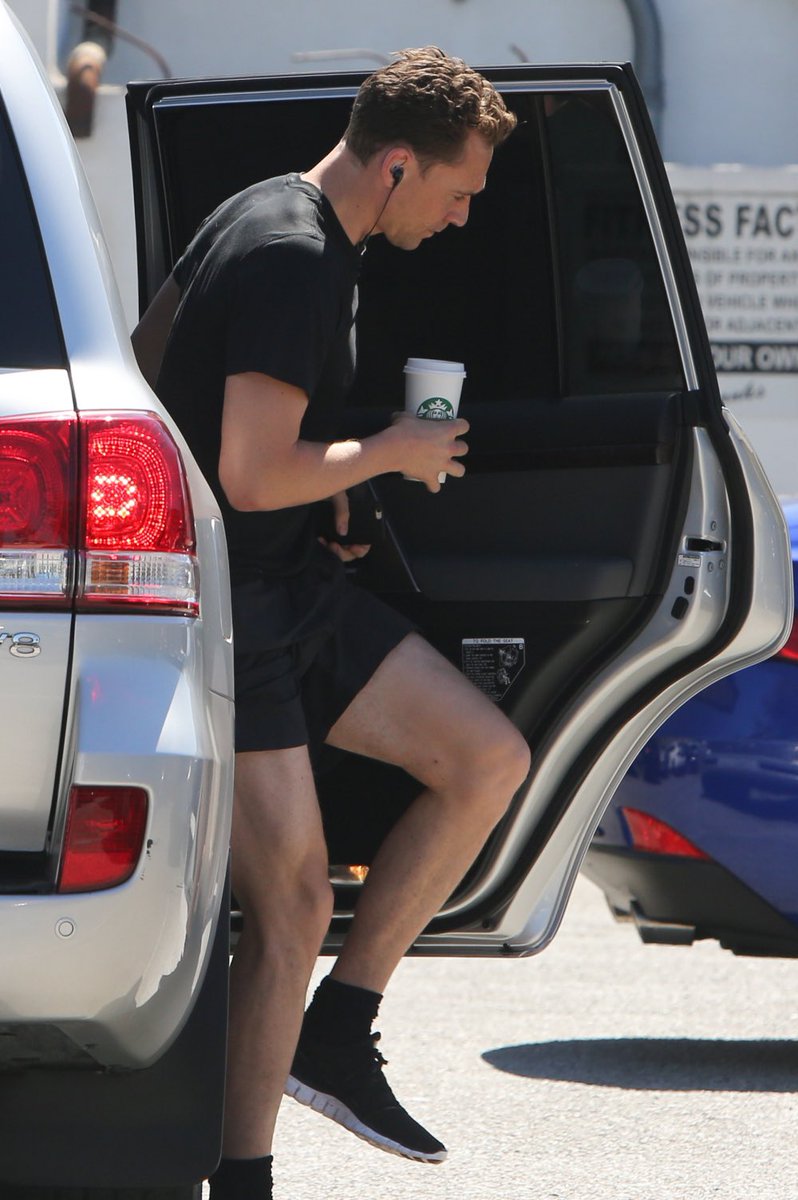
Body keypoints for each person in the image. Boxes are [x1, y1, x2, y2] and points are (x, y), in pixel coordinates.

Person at [132, 46, 529, 1200]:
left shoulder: (275, 218)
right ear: (398, 164)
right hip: (234, 615)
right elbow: (251, 473)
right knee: (295, 900)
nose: (462, 218)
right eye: (459, 191)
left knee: (485, 759)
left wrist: (333, 486)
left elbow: (159, 372)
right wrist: (391, 451)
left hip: (291, 585)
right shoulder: (293, 255)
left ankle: (340, 1031)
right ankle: (242, 1178)